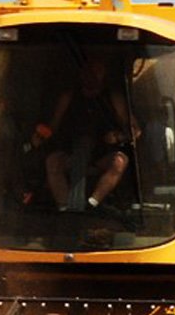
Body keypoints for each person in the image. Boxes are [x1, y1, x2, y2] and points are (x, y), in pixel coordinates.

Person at [34, 57, 137, 212]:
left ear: (104, 74)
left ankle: (92, 204)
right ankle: (64, 208)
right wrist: (39, 137)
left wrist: (117, 137)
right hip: (71, 152)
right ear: (81, 74)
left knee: (119, 162)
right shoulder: (68, 97)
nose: (92, 76)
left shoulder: (114, 98)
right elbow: (52, 128)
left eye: (97, 72)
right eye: (89, 71)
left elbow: (135, 130)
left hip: (101, 155)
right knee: (52, 161)